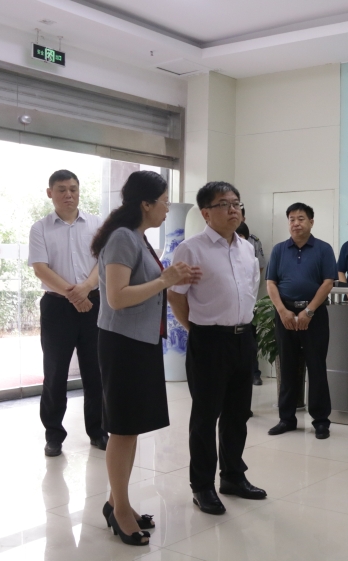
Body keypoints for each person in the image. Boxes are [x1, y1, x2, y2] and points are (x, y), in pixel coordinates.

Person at [92, 170, 200, 546]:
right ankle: (121, 510)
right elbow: (117, 297)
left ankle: (116, 501)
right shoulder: (123, 237)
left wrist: (172, 278)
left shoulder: (136, 236)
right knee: (122, 430)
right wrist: (165, 280)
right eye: (164, 201)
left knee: (131, 427)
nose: (167, 208)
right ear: (146, 204)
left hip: (140, 341)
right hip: (122, 343)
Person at [168, 181, 266, 516]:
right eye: (224, 204)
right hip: (209, 340)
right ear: (206, 213)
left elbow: (250, 290)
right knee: (205, 416)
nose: (233, 209)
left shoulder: (247, 248)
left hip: (243, 337)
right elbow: (176, 297)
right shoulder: (190, 250)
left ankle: (233, 477)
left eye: (236, 203)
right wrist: (196, 330)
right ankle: (202, 486)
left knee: (238, 414)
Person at [28, 169, 107, 457]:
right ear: (50, 193)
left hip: (93, 303)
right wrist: (75, 295)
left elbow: (103, 261)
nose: (68, 194)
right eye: (61, 189)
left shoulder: (97, 224)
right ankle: (53, 435)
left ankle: (98, 431)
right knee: (55, 373)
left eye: (73, 188)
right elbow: (41, 269)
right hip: (57, 308)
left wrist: (85, 289)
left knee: (95, 371)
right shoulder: (40, 228)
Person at [266, 203, 337, 439]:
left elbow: (328, 282)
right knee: (287, 367)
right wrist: (282, 311)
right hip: (285, 314)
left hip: (314, 315)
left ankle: (321, 421)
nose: (296, 223)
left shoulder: (323, 249)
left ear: (311, 222)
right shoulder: (279, 250)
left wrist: (309, 311)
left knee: (316, 367)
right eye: (292, 219)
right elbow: (271, 283)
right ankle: (286, 419)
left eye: (301, 218)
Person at [236, 216, 267, 386]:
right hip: (228, 312)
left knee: (250, 342)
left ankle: (254, 373)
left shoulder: (252, 258)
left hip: (248, 307)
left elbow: (255, 282)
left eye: (241, 237)